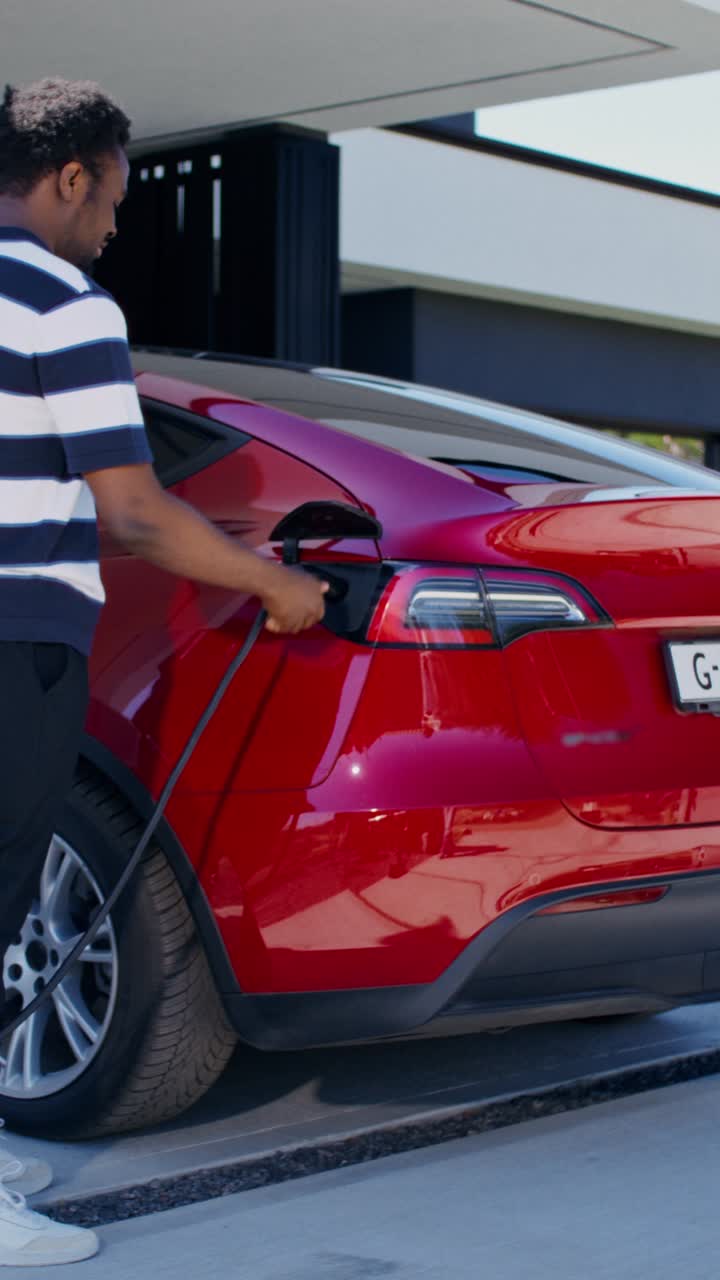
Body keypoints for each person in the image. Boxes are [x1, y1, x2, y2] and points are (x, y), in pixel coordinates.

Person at [0, 77, 327, 1266]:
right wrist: (278, 585)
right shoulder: (63, 301)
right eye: (115, 201)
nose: (114, 227)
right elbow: (134, 514)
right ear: (71, 175)